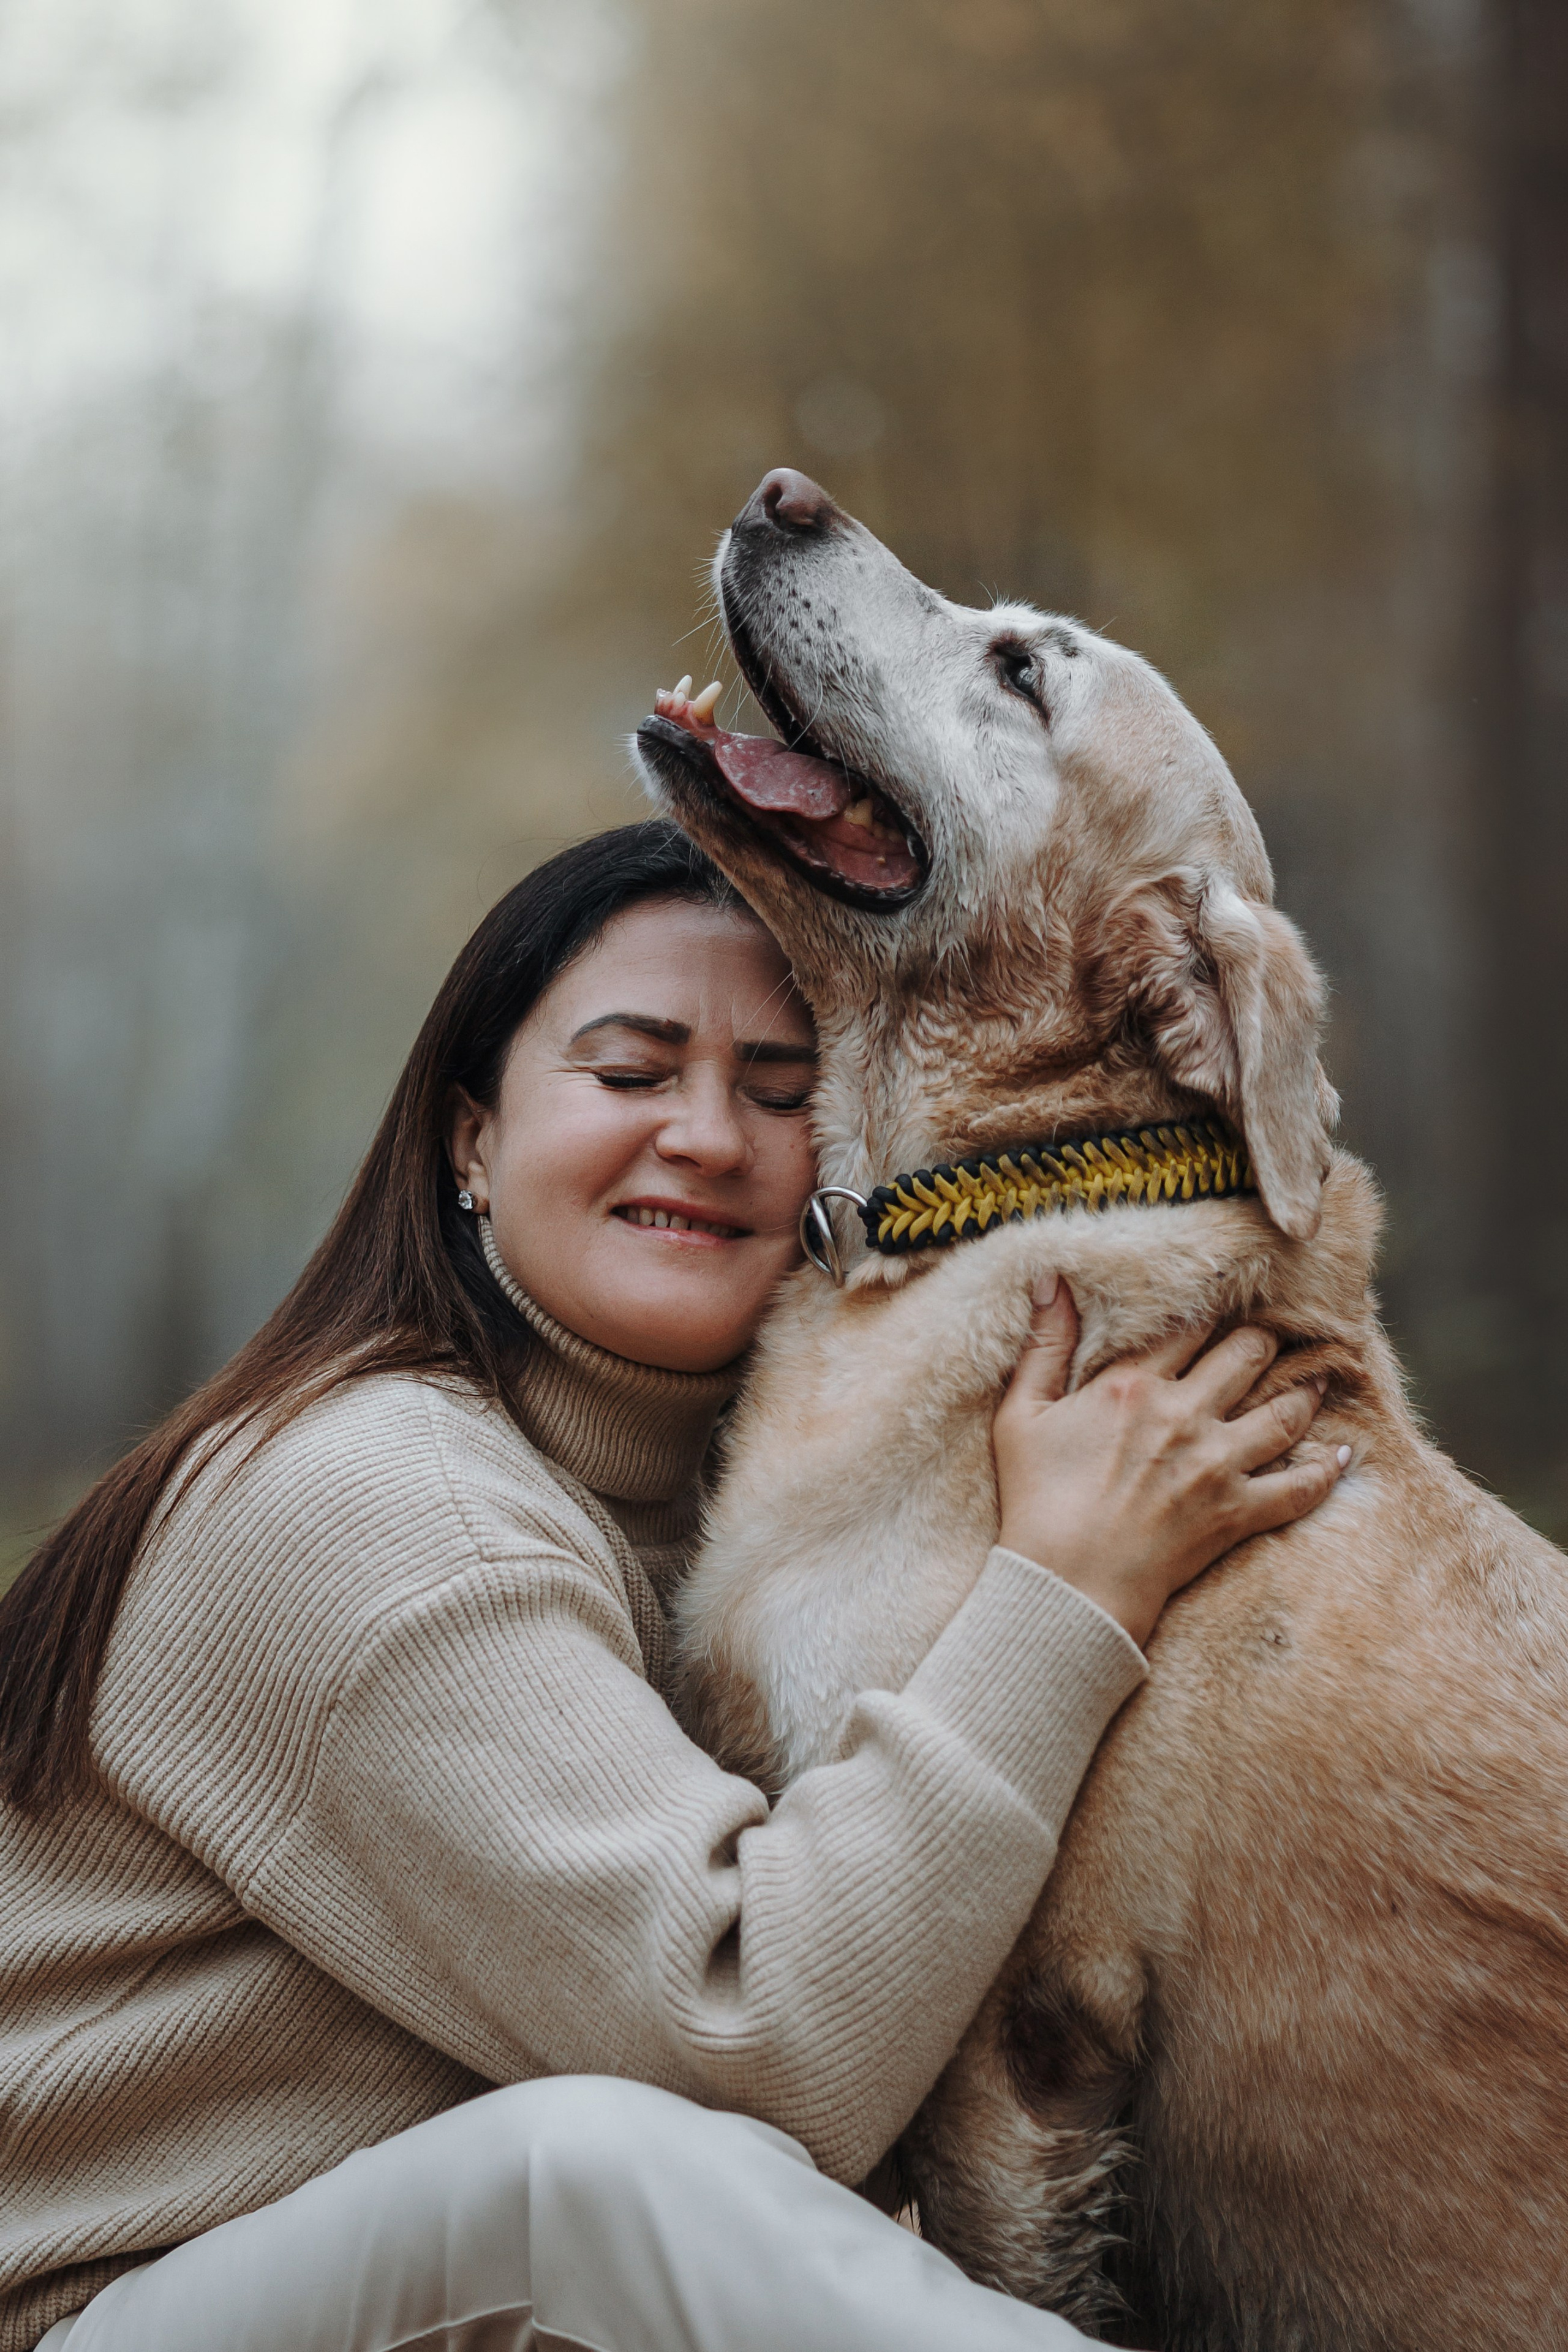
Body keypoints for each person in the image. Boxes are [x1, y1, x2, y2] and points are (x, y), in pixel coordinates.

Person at [0, 821, 1341, 2352]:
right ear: (470, 1141)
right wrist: (1061, 1597)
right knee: (583, 2178)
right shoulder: (379, 1501)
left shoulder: (748, 1516)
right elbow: (757, 2051)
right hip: (98, 2312)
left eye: (779, 1092)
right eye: (631, 1073)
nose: (706, 1137)